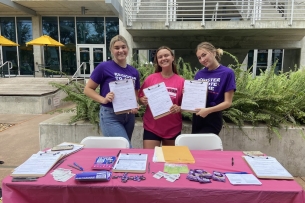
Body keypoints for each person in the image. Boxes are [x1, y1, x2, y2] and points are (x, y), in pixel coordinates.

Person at [83, 35, 140, 148]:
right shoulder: (104, 67)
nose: (120, 50)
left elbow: (135, 94)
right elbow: (87, 89)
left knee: (120, 151)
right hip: (110, 115)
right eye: (117, 48)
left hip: (129, 117)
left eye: (123, 47)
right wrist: (103, 99)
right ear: (111, 51)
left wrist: (135, 104)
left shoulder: (134, 72)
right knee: (126, 147)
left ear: (127, 49)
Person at [138, 46, 185, 149]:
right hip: (152, 127)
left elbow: (186, 105)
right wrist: (142, 100)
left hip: (173, 128)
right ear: (157, 61)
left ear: (173, 57)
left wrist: (179, 108)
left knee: (170, 163)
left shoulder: (181, 81)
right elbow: (140, 98)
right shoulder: (151, 79)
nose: (163, 58)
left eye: (166, 55)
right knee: (150, 159)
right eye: (160, 57)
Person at [192, 42, 236, 135]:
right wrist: (188, 93)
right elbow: (195, 98)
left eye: (204, 55)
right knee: (196, 147)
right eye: (199, 58)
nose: (202, 59)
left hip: (213, 116)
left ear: (214, 52)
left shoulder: (227, 73)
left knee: (207, 146)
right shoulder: (199, 74)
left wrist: (208, 110)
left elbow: (227, 103)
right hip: (197, 116)